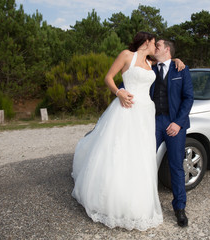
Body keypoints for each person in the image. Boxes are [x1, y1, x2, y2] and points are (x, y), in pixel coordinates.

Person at [71, 32, 163, 231]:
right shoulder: (126, 55)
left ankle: (137, 201)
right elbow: (108, 77)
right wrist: (119, 91)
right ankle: (113, 200)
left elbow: (168, 60)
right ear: (146, 42)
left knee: (141, 154)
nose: (156, 46)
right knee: (120, 151)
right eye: (154, 42)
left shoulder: (150, 62)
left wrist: (179, 60)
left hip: (146, 111)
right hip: (127, 109)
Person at [151, 39, 194, 227]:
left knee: (176, 165)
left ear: (167, 50)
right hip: (152, 121)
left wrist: (178, 122)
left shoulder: (181, 69)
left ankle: (179, 208)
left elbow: (188, 98)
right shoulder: (149, 68)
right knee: (145, 161)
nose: (154, 48)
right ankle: (143, 203)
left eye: (157, 46)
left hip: (174, 122)